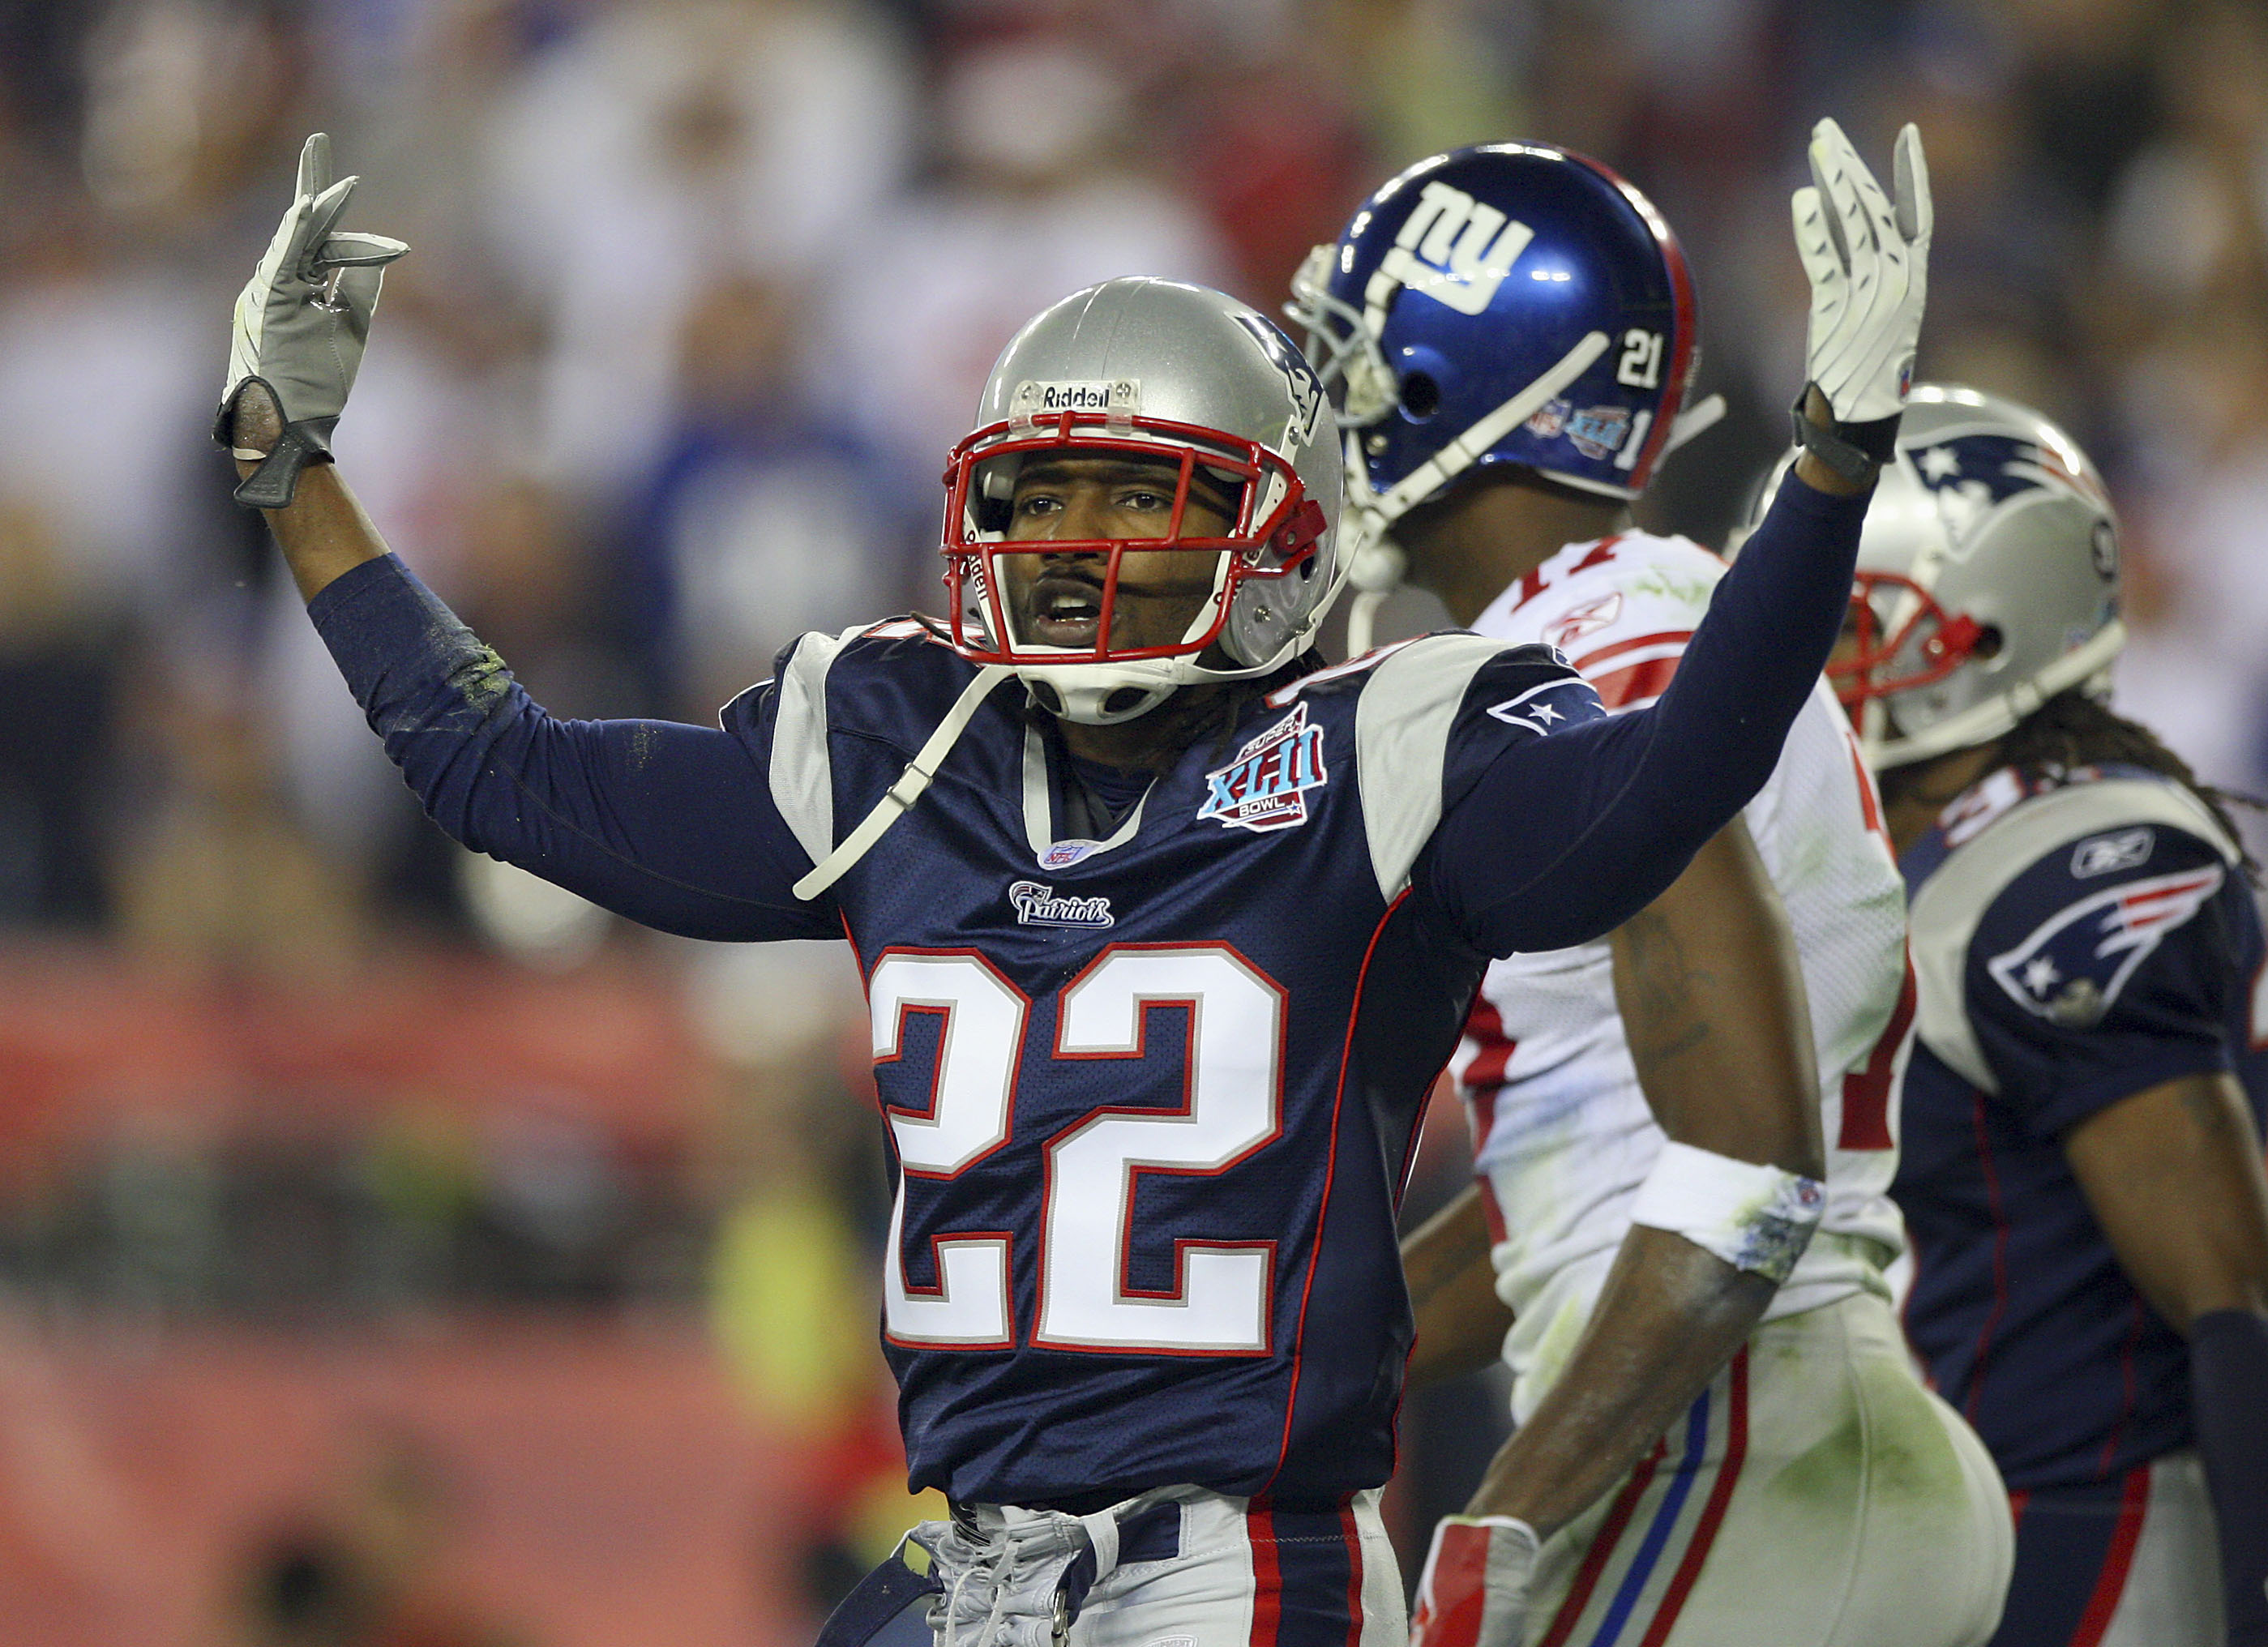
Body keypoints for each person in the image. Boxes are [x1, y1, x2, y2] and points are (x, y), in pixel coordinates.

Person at [214, 126, 1924, 1647]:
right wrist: (296, 472)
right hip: (972, 1565)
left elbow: (1653, 795)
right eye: (1045, 492)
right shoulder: (896, 741)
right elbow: (504, 770)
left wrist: (1831, 473)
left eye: (1143, 492)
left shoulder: (1384, 745)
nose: (1080, 539)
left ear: (1277, 536)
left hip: (1235, 1569)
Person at [1290, 143, 2009, 1647]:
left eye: (1353, 359)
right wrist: (1289, 1340)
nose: (1329, 406)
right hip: (1794, 1440)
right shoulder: (1630, 622)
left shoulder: (1593, 639)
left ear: (1451, 377)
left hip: (1738, 1449)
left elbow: (1746, 1155)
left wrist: (1511, 1506)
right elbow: (1578, 1183)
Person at [1812, 384, 2268, 1647]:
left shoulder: (2067, 861)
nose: (1810, 661)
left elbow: (2238, 1299)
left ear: (1985, 631)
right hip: (1935, 1530)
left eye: (1852, 623)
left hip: (2085, 1540)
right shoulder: (1908, 853)